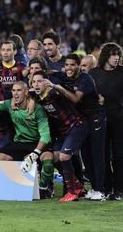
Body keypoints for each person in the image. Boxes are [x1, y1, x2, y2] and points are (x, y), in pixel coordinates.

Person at [0, 81, 54, 198]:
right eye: (13, 90)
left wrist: (35, 153)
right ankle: (7, 186)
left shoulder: (37, 109)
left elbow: (45, 135)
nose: (15, 93)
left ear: (26, 92)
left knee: (48, 160)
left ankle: (45, 188)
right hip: (20, 142)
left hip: (38, 143)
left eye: (19, 90)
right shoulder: (9, 104)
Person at [32, 71, 89, 201]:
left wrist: (56, 86)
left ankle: (72, 192)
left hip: (77, 125)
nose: (36, 84)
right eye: (34, 81)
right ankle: (78, 187)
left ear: (46, 82)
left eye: (39, 81)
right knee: (56, 157)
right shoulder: (37, 97)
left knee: (64, 156)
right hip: (64, 132)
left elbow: (72, 97)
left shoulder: (55, 93)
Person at [60, 54, 106, 200]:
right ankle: (93, 188)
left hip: (96, 119)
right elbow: (52, 73)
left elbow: (75, 98)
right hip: (83, 122)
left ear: (79, 66)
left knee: (97, 154)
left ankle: (101, 190)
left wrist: (58, 87)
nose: (69, 68)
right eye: (67, 65)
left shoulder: (85, 78)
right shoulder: (66, 76)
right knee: (86, 155)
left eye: (72, 65)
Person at [89, 42, 123, 200]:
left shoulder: (122, 72)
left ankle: (118, 189)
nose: (116, 58)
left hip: (119, 118)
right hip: (100, 118)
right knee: (102, 154)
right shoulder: (94, 73)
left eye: (118, 55)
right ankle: (107, 187)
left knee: (119, 154)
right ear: (105, 56)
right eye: (113, 55)